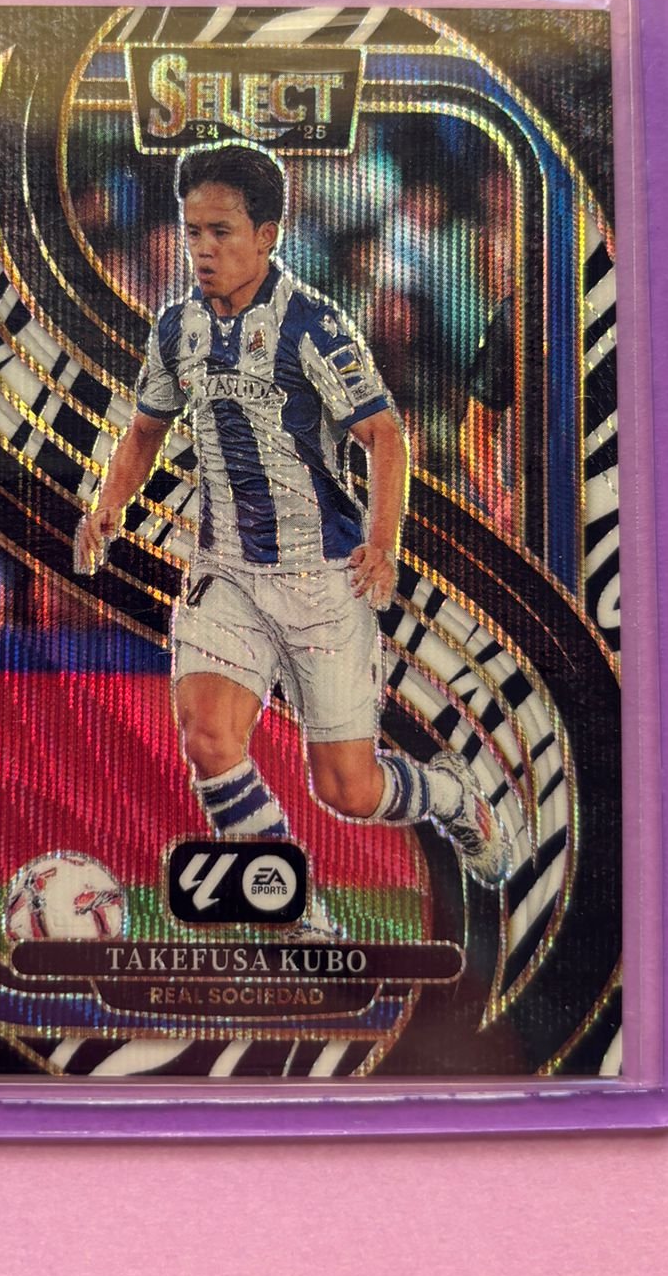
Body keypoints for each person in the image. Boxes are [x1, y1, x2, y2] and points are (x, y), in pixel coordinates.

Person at [74, 146, 513, 925]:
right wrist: (108, 504)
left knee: (349, 790)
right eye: (192, 231)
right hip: (225, 572)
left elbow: (385, 437)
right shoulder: (176, 328)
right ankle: (296, 908)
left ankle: (449, 795)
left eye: (221, 231)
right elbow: (144, 429)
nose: (202, 248)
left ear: (267, 235)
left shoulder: (313, 325)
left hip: (319, 576)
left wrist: (382, 543)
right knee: (209, 739)